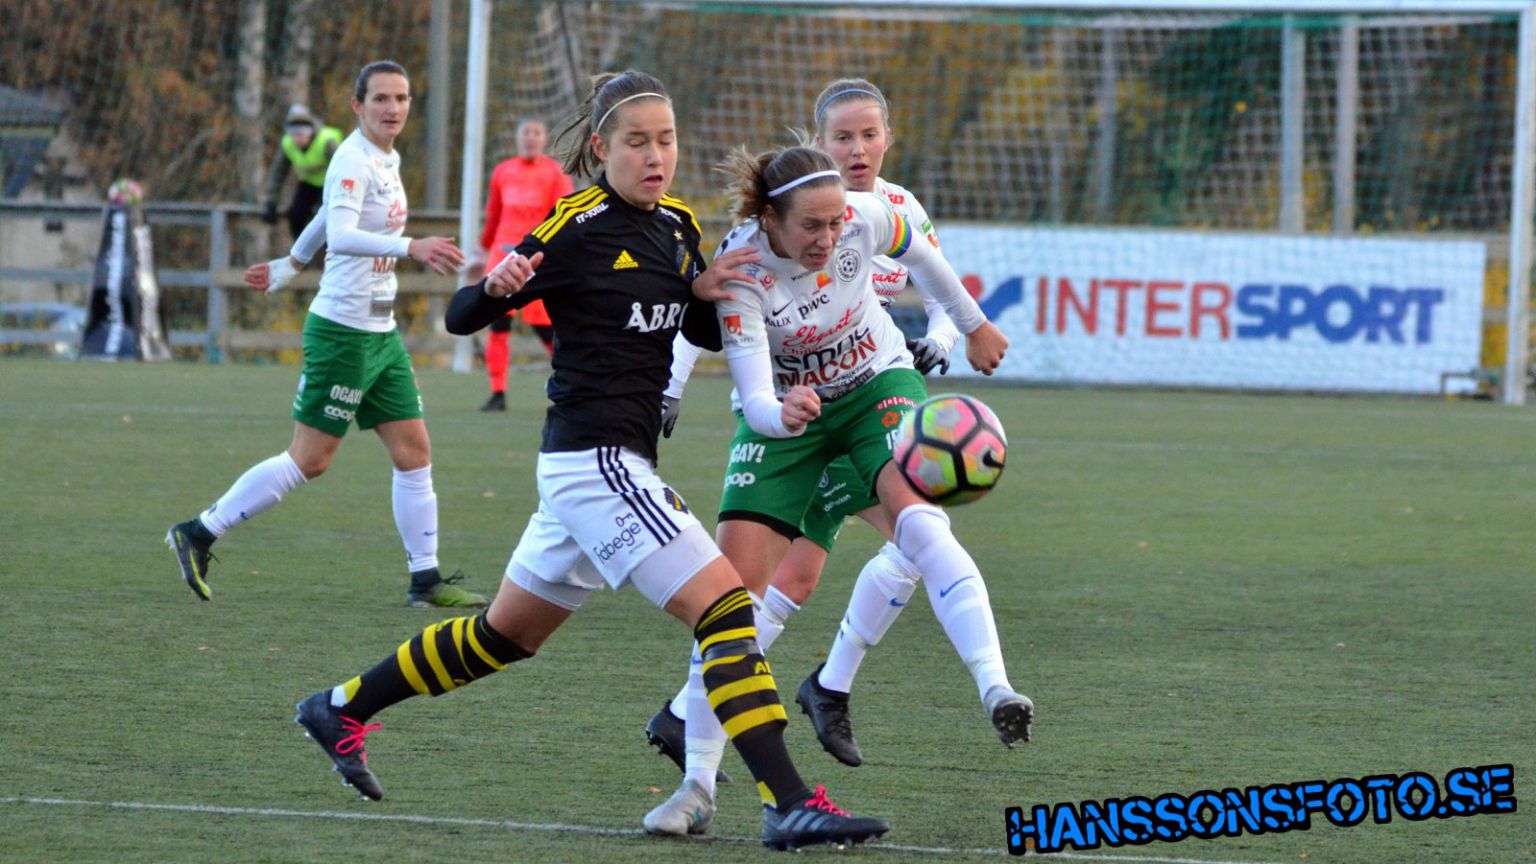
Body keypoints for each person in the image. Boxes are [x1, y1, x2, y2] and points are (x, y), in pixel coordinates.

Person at [289, 70, 889, 852]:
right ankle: (789, 802)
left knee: (504, 636)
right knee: (726, 609)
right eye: (637, 142)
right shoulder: (575, 225)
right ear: (602, 147)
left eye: (666, 140)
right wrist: (496, 285)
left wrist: (703, 292)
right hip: (595, 461)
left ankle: (340, 708)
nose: (656, 156)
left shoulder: (678, 226)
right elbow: (463, 315)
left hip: (599, 470)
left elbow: (694, 333)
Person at [643, 141, 1031, 836]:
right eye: (811, 227)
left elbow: (926, 259)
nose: (829, 237)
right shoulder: (742, 270)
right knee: (731, 601)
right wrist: (783, 414)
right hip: (785, 417)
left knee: (920, 524)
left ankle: (994, 685)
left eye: (835, 223)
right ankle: (696, 786)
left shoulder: (865, 215)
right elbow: (755, 397)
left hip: (877, 382)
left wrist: (974, 326)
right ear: (770, 219)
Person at [165, 61, 489, 610]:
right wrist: (411, 247)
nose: (393, 108)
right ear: (357, 106)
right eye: (380, 98)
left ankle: (425, 579)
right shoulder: (352, 157)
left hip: (380, 333)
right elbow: (341, 232)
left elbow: (323, 217)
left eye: (402, 98)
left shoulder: (386, 157)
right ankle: (198, 531)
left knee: (414, 452)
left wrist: (291, 263)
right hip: (342, 332)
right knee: (310, 460)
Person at [476, 117, 573, 411]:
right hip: (502, 257)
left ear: (544, 139)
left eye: (536, 133)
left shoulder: (555, 173)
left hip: (536, 259)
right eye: (526, 132)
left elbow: (563, 218)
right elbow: (493, 216)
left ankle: (573, 380)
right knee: (498, 324)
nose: (531, 138)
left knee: (546, 328)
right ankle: (497, 392)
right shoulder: (503, 171)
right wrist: (483, 250)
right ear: (518, 138)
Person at [261, 104, 344, 241]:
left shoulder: (327, 141)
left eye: (301, 133)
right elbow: (277, 174)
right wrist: (271, 202)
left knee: (325, 217)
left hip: (330, 184)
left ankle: (329, 250)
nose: (297, 138)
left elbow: (342, 170)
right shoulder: (288, 144)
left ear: (310, 131)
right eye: (293, 134)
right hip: (308, 183)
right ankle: (301, 251)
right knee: (295, 215)